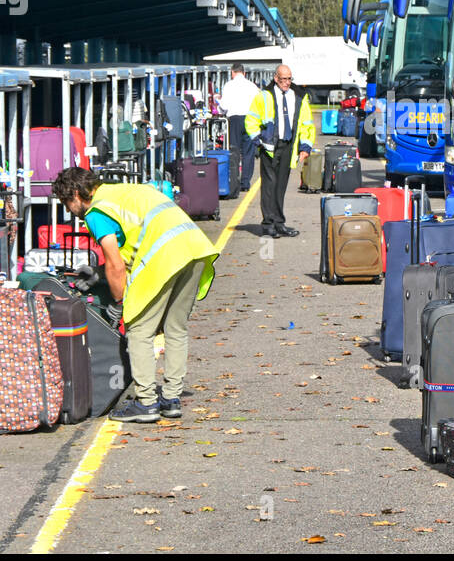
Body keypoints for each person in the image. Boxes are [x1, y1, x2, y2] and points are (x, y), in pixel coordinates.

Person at [52, 167, 219, 424]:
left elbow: (116, 264)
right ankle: (171, 399)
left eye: (67, 203)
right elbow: (136, 239)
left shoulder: (97, 212)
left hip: (166, 258)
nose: (68, 210)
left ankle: (146, 402)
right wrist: (97, 274)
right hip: (193, 248)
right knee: (175, 328)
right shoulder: (124, 191)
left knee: (139, 330)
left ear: (76, 193)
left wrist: (120, 304)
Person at [245, 64, 315, 238]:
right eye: (283, 79)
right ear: (276, 78)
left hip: (288, 146)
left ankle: (279, 223)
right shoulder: (264, 96)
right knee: (269, 185)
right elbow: (251, 119)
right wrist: (259, 141)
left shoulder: (298, 96)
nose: (287, 82)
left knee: (281, 186)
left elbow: (307, 124)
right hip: (269, 147)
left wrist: (305, 147)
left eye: (289, 78)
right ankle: (268, 224)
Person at [219, 63, 260, 192]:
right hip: (250, 119)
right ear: (244, 73)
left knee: (234, 151)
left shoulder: (228, 85)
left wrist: (218, 103)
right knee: (248, 152)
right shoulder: (253, 86)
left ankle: (234, 181)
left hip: (234, 119)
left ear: (232, 72)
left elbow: (224, 107)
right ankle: (245, 183)